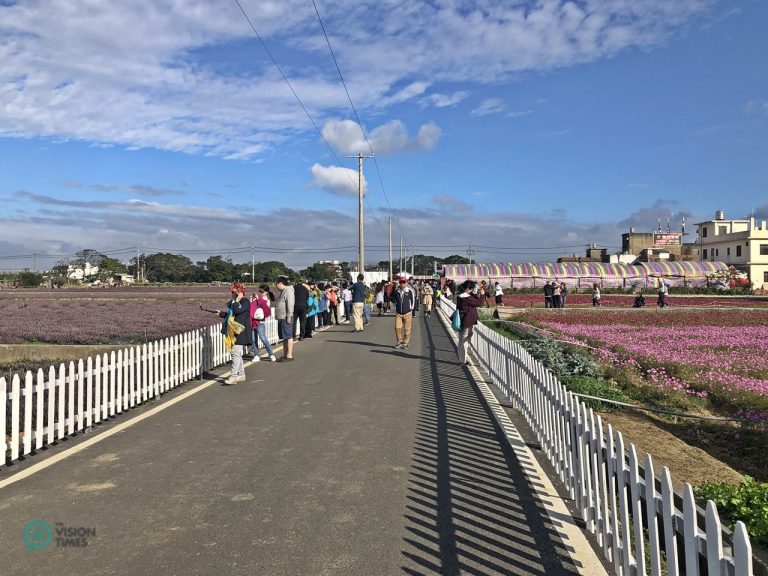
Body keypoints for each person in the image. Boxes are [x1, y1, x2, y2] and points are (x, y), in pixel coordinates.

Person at [216, 283, 252, 384]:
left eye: (233, 292)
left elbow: (237, 310)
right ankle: (241, 374)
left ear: (238, 293)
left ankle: (233, 376)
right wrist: (221, 313)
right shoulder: (234, 302)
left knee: (235, 353)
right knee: (236, 354)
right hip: (234, 331)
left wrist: (237, 300)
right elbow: (231, 313)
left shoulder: (245, 302)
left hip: (241, 331)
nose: (231, 293)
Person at [457, 280, 485, 365]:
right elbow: (479, 303)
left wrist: (476, 293)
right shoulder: (467, 298)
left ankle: (461, 359)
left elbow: (472, 299)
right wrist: (482, 294)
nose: (473, 290)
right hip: (467, 321)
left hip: (462, 320)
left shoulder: (461, 296)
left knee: (461, 340)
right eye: (472, 289)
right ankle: (463, 361)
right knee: (465, 341)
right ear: (468, 289)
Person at [250, 286, 277, 362]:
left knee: (263, 338)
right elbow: (251, 307)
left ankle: (271, 354)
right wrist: (252, 299)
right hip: (253, 321)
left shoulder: (267, 300)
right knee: (253, 339)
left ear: (266, 292)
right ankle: (256, 355)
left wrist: (258, 299)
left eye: (262, 292)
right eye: (260, 291)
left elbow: (265, 310)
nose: (261, 293)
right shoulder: (257, 299)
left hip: (260, 321)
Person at [274, 276, 295, 361]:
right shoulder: (284, 291)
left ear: (280, 283)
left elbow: (290, 304)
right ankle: (285, 354)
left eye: (276, 284)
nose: (276, 286)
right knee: (285, 336)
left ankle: (289, 355)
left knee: (288, 336)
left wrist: (289, 316)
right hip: (282, 317)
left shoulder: (288, 291)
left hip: (286, 317)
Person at [392, 277, 415, 349]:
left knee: (407, 329)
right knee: (397, 327)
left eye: (404, 282)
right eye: (401, 282)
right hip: (399, 313)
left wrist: (411, 309)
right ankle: (399, 341)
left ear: (406, 283)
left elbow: (413, 300)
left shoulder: (409, 291)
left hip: (407, 312)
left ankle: (405, 343)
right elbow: (394, 300)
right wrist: (395, 307)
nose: (402, 284)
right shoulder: (397, 291)